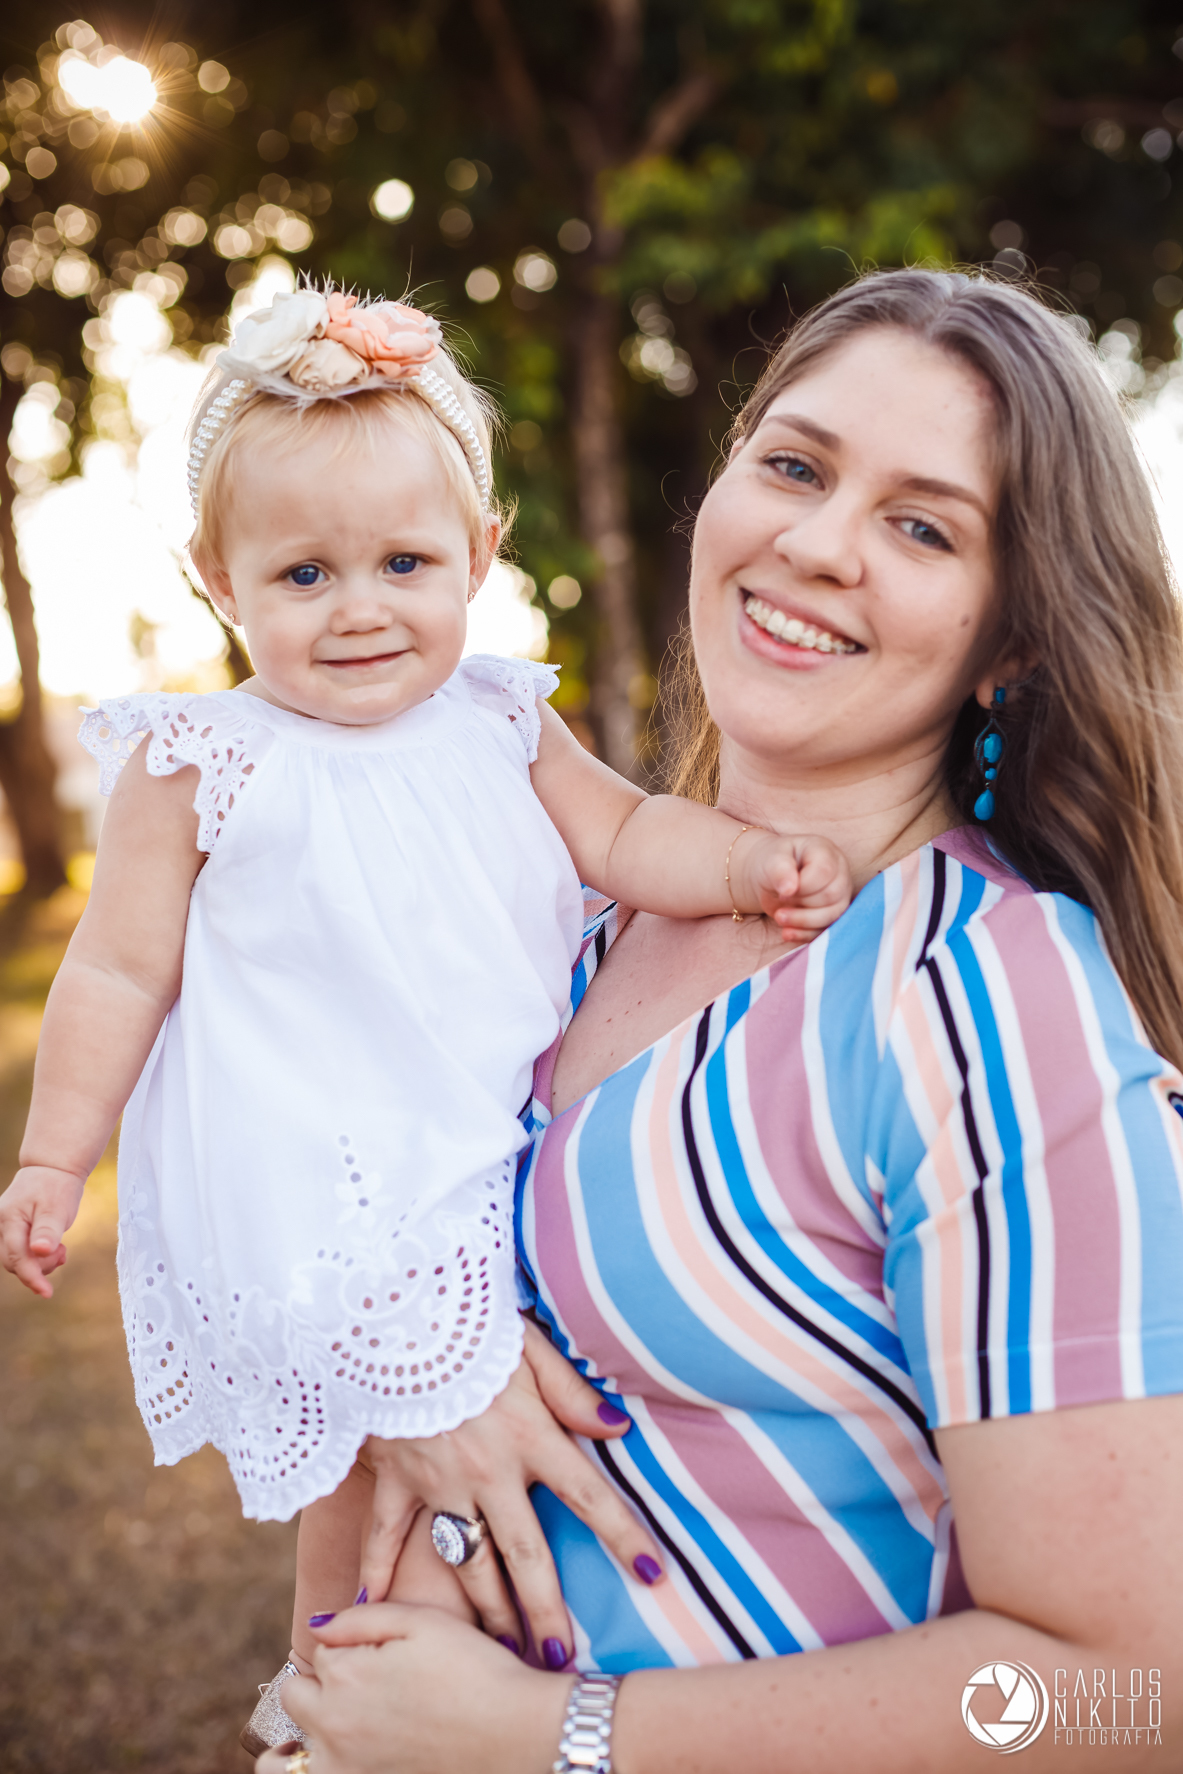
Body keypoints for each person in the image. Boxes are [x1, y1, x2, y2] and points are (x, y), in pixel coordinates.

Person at [256, 268, 1183, 1774]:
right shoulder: (545, 921)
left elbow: (1127, 1693)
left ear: (1011, 638)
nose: (817, 544)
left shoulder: (982, 997)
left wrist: (560, 1737)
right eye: (796, 466)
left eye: (923, 524)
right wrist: (424, 1373)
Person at [0, 286, 854, 1754]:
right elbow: (118, 972)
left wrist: (742, 866)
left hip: (503, 1173)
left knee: (527, 1524)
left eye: (405, 561)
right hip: (326, 1220)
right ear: (220, 577)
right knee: (361, 1534)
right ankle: (328, 1720)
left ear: (481, 554)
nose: (360, 609)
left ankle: (507, 1710)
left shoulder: (506, 721)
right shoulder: (200, 762)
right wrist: (50, 1158)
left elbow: (628, 836)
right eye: (304, 573)